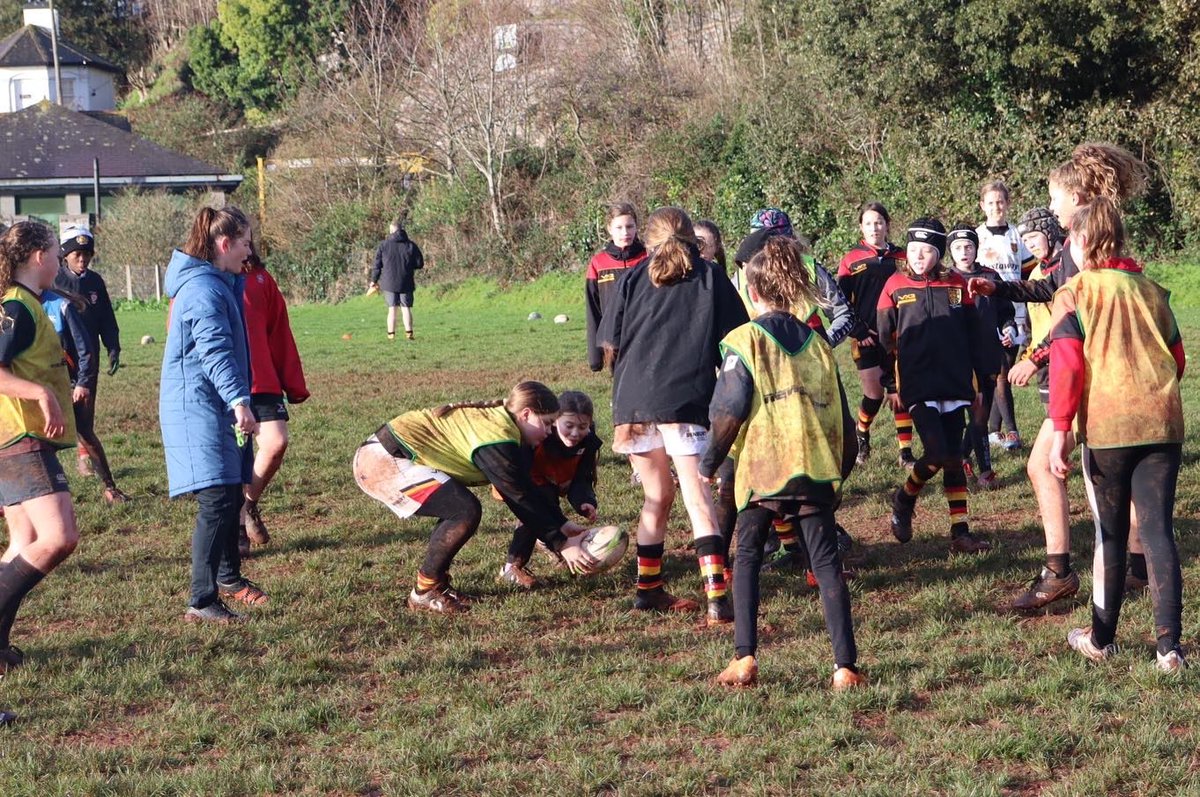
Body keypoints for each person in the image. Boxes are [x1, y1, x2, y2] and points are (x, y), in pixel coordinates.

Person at [967, 143, 1150, 610]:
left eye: (1054, 198)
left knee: (1051, 467)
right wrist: (1000, 286)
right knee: (1106, 475)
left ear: (1078, 195)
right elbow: (1052, 288)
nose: (1051, 208)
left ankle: (1063, 573)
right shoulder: (1083, 239)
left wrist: (1038, 355)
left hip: (1090, 376)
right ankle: (1134, 567)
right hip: (1099, 373)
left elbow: (1081, 317)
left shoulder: (1083, 242)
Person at [701, 235, 863, 690]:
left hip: (764, 467)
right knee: (826, 560)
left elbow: (729, 408)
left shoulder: (743, 340)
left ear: (752, 293)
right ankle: (844, 666)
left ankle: (745, 657)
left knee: (749, 554)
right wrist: (840, 468)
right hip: (815, 465)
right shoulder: (816, 343)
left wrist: (709, 461)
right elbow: (842, 417)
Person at [1047, 197, 1186, 673]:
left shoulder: (1073, 293)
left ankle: (1101, 638)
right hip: (1162, 421)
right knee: (1158, 530)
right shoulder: (1152, 290)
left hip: (1109, 428)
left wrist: (1060, 430)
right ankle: (1169, 648)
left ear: (1082, 242)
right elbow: (1178, 359)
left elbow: (1065, 368)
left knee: (1111, 534)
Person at [598, 207, 748, 621]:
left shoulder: (631, 276)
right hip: (683, 399)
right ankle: (717, 596)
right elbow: (738, 339)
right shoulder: (709, 276)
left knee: (656, 496)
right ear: (693, 241)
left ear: (648, 241)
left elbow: (608, 342)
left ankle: (648, 591)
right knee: (697, 498)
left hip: (631, 401)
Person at [353, 381, 596, 613]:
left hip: (392, 455)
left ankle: (435, 584)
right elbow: (518, 497)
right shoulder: (498, 435)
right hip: (383, 460)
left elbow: (526, 491)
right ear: (526, 414)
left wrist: (561, 525)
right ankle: (425, 591)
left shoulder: (508, 428)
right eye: (547, 423)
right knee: (463, 511)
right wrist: (561, 543)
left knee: (462, 509)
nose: (550, 431)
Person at [726, 208, 862, 573]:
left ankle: (818, 527)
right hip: (764, 370)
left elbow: (844, 314)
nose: (773, 246)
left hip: (813, 371)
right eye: (765, 239)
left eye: (780, 238)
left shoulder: (809, 265)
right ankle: (786, 537)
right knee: (766, 452)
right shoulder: (742, 272)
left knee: (842, 444)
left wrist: (818, 345)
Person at [161, 206, 267, 624]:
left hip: (213, 405)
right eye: (244, 243)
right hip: (198, 408)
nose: (249, 251)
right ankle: (202, 599)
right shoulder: (203, 290)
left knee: (225, 495)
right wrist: (240, 400)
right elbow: (214, 352)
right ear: (224, 245)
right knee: (216, 500)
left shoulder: (218, 283)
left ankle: (225, 580)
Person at [877, 218, 992, 553]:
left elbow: (974, 335)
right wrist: (890, 384)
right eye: (913, 250)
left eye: (926, 251)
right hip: (917, 385)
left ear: (938, 254)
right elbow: (885, 340)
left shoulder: (956, 283)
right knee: (937, 453)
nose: (918, 257)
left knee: (954, 458)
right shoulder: (894, 285)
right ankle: (904, 498)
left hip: (955, 383)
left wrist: (982, 382)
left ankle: (960, 532)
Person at [0, 221, 80, 681]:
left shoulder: (25, 302)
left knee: (24, 543)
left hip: (15, 439)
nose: (60, 260)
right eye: (55, 252)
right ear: (37, 257)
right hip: (19, 440)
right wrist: (41, 394)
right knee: (59, 538)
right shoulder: (18, 307)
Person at [238, 243, 309, 555]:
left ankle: (247, 504)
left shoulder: (261, 279)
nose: (246, 246)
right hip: (225, 384)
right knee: (234, 456)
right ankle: (234, 524)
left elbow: (280, 332)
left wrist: (292, 382)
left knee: (276, 442)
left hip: (262, 380)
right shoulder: (208, 279)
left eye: (247, 239)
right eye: (240, 239)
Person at [496, 390, 602, 589]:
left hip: (554, 483)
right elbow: (522, 483)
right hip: (526, 484)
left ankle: (548, 542)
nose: (575, 432)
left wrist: (584, 501)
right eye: (569, 425)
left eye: (583, 426)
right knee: (536, 509)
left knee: (548, 505)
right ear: (555, 420)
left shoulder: (588, 441)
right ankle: (512, 567)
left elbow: (582, 478)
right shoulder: (538, 434)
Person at [837, 202, 915, 468]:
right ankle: (862, 433)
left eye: (879, 222)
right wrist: (857, 330)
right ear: (861, 227)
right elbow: (839, 301)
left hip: (898, 335)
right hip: (867, 336)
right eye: (869, 223)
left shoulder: (904, 257)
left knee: (901, 391)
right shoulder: (851, 259)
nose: (874, 227)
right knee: (875, 394)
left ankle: (905, 451)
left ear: (887, 225)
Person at [39, 285, 130, 505]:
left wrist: (82, 383)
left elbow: (85, 348)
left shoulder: (61, 306)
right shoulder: (16, 304)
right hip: (36, 388)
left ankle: (110, 488)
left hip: (68, 385)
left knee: (84, 432)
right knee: (36, 442)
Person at [946, 225, 1017, 490]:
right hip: (959, 357)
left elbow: (1005, 311)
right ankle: (985, 471)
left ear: (977, 249)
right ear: (950, 251)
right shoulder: (947, 278)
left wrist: (1010, 328)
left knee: (982, 412)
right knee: (977, 413)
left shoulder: (990, 276)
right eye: (957, 248)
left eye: (968, 247)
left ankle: (963, 456)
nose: (963, 252)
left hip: (989, 354)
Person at [53, 227, 122, 483]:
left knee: (85, 410)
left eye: (87, 255)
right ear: (65, 256)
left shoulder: (95, 282)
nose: (83, 260)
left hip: (88, 356)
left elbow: (107, 317)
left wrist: (112, 346)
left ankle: (84, 455)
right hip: (60, 356)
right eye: (77, 255)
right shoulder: (54, 281)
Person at [975, 181, 1036, 451]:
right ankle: (1012, 432)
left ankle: (992, 431)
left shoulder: (1018, 236)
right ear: (982, 206)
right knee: (1000, 373)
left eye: (1000, 202)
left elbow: (1029, 274)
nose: (996, 207)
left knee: (1006, 371)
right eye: (991, 203)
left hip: (1018, 310)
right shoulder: (977, 236)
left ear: (1008, 204)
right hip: (990, 312)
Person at [585, 203, 648, 372]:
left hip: (646, 338)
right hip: (614, 344)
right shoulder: (598, 263)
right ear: (609, 229)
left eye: (629, 226)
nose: (625, 232)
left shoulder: (649, 258)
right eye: (619, 227)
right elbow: (593, 310)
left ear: (636, 227)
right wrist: (595, 356)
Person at [368, 218, 424, 340]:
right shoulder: (411, 245)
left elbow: (377, 265)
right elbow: (420, 264)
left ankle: (391, 335)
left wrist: (374, 281)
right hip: (406, 281)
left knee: (392, 309)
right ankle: (409, 334)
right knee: (406, 308)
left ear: (392, 230)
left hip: (389, 282)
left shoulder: (384, 245)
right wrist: (409, 266)